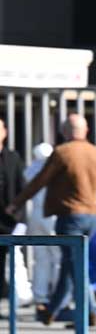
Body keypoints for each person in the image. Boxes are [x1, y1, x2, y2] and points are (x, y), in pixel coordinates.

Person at [8, 114, 96, 326]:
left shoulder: (62, 152)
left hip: (70, 216)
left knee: (72, 265)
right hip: (92, 217)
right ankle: (65, 311)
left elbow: (39, 182)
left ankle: (73, 311)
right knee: (75, 264)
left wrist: (17, 203)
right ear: (86, 131)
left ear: (64, 132)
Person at [22, 143, 57, 308]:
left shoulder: (31, 169)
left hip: (36, 216)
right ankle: (57, 295)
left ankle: (40, 296)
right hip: (52, 216)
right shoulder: (55, 168)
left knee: (40, 258)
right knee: (58, 258)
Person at [0, 118, 25, 299]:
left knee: (3, 262)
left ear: (5, 132)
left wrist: (17, 212)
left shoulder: (13, 157)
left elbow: (21, 187)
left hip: (6, 219)